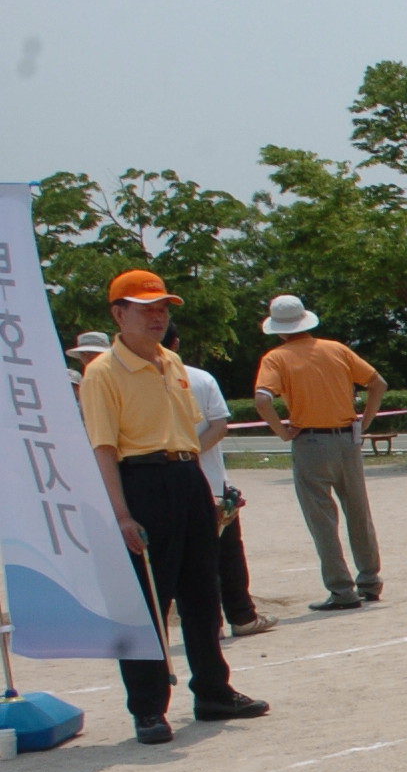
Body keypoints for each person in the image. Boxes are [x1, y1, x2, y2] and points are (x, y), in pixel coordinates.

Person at [78, 270, 270, 743]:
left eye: (162, 308)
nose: (157, 316)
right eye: (145, 308)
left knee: (203, 594)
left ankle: (212, 691)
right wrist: (121, 513)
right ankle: (147, 708)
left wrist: (206, 495)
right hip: (140, 481)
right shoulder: (101, 372)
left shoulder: (173, 362)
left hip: (187, 478)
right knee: (147, 600)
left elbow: (191, 436)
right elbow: (102, 448)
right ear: (118, 314)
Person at [251, 292, 386, 610]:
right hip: (346, 439)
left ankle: (341, 589)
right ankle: (370, 580)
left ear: (279, 328)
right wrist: (363, 423)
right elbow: (377, 383)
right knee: (358, 511)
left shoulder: (276, 358)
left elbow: (262, 399)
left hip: (310, 442)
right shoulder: (336, 349)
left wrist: (282, 432)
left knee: (322, 518)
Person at [163, 325, 273, 640]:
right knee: (225, 554)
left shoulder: (130, 382)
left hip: (166, 483)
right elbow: (220, 426)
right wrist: (190, 455)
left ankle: (206, 626)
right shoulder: (200, 378)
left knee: (186, 561)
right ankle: (241, 616)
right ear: (177, 342)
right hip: (209, 482)